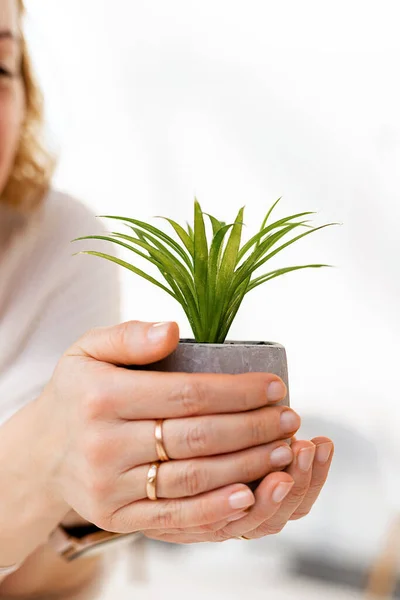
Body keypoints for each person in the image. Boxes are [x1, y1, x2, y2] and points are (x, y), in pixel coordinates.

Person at [0, 0, 334, 597]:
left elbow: (38, 580)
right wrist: (46, 462)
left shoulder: (57, 244)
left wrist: (95, 493)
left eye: (1, 67)